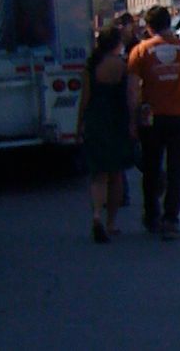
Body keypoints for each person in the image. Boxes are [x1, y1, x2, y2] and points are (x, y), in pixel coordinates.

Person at [127, 5, 180, 240]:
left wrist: (132, 120)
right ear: (169, 23)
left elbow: (132, 91)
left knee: (151, 168)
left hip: (152, 117)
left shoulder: (140, 51)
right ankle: (171, 219)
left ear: (149, 27)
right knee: (177, 170)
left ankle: (152, 215)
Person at [77, 24, 135, 243]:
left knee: (98, 174)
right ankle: (111, 223)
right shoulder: (123, 66)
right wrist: (133, 124)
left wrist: (79, 125)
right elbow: (130, 98)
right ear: (117, 43)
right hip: (117, 122)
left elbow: (84, 100)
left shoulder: (91, 67)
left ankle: (96, 215)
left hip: (96, 121)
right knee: (116, 175)